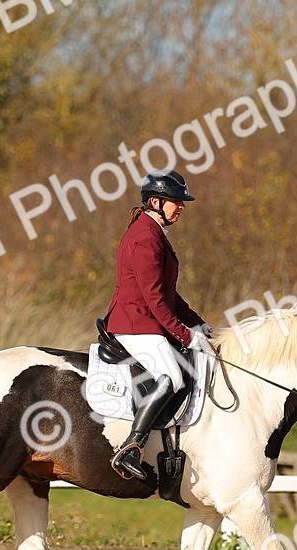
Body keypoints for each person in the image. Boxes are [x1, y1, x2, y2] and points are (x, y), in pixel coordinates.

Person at [101, 169, 212, 480]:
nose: (182, 206)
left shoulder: (154, 234)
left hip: (146, 319)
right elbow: (154, 299)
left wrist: (199, 326)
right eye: (176, 201)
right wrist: (184, 335)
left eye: (181, 201)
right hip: (135, 322)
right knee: (172, 377)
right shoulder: (145, 237)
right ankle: (131, 447)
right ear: (155, 202)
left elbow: (168, 294)